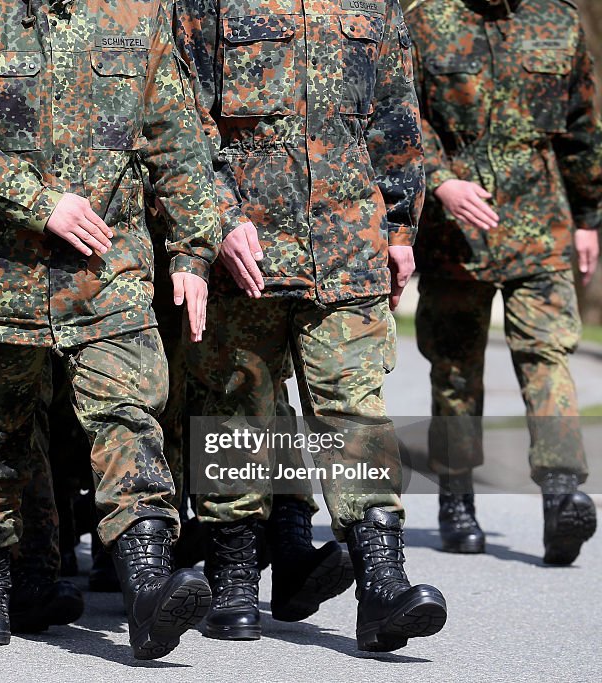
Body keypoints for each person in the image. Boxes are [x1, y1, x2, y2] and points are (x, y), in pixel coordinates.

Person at [0, 0, 220, 659]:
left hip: (107, 270)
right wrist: (38, 201)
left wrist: (192, 251)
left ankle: (146, 587)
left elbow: (179, 140)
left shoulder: (137, 17)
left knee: (130, 416)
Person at [174, 0, 448, 652]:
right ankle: (234, 574)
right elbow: (183, 112)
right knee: (237, 402)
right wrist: (218, 214)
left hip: (349, 239)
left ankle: (382, 583)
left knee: (355, 406)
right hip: (248, 246)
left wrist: (403, 226)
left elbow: (397, 109)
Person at [406, 0, 600, 564]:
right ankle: (457, 498)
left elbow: (584, 126)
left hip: (540, 225)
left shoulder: (559, 21)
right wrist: (440, 181)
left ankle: (563, 492)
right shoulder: (425, 19)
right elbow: (401, 114)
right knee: (455, 370)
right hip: (455, 234)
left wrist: (589, 218)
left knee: (547, 354)